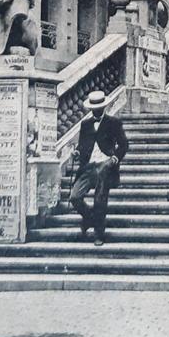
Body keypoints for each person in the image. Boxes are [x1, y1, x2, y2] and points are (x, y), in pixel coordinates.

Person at [70, 90, 129, 247]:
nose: (96, 111)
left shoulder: (114, 123)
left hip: (105, 165)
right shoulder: (85, 124)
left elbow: (124, 144)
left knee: (100, 199)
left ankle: (99, 233)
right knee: (74, 197)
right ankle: (90, 218)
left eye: (98, 108)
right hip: (87, 167)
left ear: (103, 107)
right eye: (93, 109)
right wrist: (77, 152)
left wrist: (114, 159)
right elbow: (83, 145)